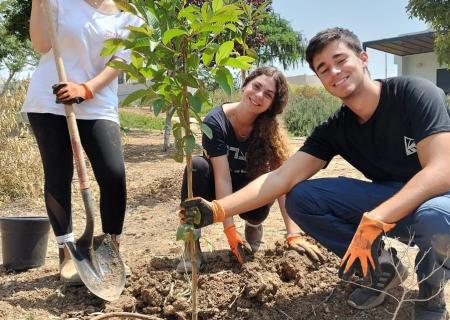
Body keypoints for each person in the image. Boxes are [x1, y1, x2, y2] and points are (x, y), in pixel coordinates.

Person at [179, 28, 450, 320]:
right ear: (322, 81)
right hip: (392, 200)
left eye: (340, 60)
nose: (334, 71)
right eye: (323, 69)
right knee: (301, 198)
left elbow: (442, 170)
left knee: (434, 216)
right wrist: (217, 210)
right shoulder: (334, 129)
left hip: (438, 202)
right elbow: (281, 178)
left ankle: (430, 297)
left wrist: (376, 219)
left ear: (363, 58)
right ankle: (382, 267)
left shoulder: (413, 94)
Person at [22, 0, 139, 284]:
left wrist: (86, 89)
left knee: (113, 173)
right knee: (59, 174)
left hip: (98, 102)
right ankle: (66, 251)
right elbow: (41, 44)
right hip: (51, 99)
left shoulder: (131, 14)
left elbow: (122, 60)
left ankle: (111, 248)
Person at [177, 66, 324, 272]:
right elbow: (223, 177)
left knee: (268, 178)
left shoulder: (269, 130)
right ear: (245, 85)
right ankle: (192, 244)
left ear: (271, 104)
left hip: (249, 190)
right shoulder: (215, 122)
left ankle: (254, 224)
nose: (258, 96)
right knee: (197, 167)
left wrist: (293, 233)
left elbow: (284, 181)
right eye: (256, 86)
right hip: (218, 185)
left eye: (268, 94)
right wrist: (229, 230)